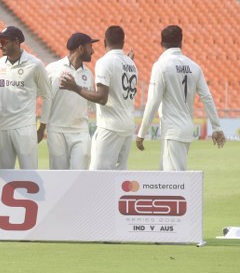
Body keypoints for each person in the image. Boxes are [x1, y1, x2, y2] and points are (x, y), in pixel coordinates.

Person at [136, 25, 225, 170]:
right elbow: (207, 97)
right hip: (186, 128)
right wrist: (216, 126)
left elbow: (153, 102)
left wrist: (141, 133)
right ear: (181, 42)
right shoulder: (194, 66)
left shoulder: (161, 66)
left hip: (172, 130)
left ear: (161, 43)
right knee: (166, 179)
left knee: (174, 183)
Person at [60, 25, 138, 170]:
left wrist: (75, 87)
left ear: (104, 42)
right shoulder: (131, 63)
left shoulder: (104, 62)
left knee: (97, 175)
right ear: (123, 42)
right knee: (119, 175)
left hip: (110, 127)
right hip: (128, 126)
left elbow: (102, 98)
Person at [0, 25, 51, 169]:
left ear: (16, 42)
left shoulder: (35, 64)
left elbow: (47, 95)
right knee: (3, 176)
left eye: (4, 41)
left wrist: (42, 127)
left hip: (25, 128)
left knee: (30, 175)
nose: (0, 45)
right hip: (3, 127)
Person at [43, 32, 98, 170]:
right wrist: (41, 127)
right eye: (90, 46)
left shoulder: (88, 74)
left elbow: (93, 104)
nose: (93, 51)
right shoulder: (52, 69)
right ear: (80, 48)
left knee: (79, 175)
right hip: (56, 130)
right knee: (59, 176)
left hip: (81, 131)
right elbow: (43, 97)